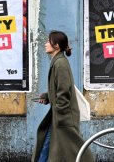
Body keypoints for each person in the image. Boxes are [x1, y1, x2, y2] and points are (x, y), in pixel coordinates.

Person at [32, 30, 95, 162]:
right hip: (60, 116)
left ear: (56, 46)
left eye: (48, 42)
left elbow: (64, 90)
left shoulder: (60, 63)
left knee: (61, 148)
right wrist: (48, 96)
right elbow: (60, 88)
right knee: (49, 147)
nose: (45, 44)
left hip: (63, 117)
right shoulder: (58, 61)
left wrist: (60, 113)